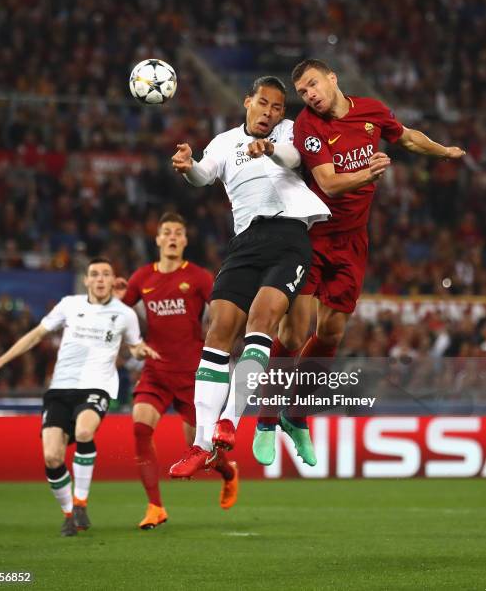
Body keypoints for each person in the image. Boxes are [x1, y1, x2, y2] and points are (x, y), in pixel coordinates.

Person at [251, 58, 466, 466]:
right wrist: (368, 174)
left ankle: (295, 416)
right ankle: (264, 419)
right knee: (294, 334)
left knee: (331, 333)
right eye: (303, 92)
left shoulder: (370, 110)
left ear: (332, 79)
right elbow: (329, 183)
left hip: (352, 241)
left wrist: (443, 151)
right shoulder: (308, 126)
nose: (310, 95)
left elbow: (406, 137)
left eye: (313, 84)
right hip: (311, 236)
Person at [168, 76, 331, 478]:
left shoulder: (290, 131)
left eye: (278, 107)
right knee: (218, 331)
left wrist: (272, 148)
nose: (270, 113)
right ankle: (201, 446)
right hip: (245, 241)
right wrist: (188, 167)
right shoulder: (224, 143)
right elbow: (204, 176)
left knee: (262, 322)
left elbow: (295, 159)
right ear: (248, 102)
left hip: (290, 236)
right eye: (264, 104)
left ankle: (230, 420)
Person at [0, 258, 158, 537]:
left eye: (106, 275)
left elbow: (135, 347)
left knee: (85, 431)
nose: (100, 279)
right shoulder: (69, 305)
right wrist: (3, 359)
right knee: (52, 457)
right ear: (86, 281)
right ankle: (67, 514)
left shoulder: (124, 314)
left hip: (96, 387)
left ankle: (80, 503)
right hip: (60, 389)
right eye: (94, 275)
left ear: (113, 281)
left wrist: (141, 352)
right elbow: (37, 334)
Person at [115, 212, 239, 529]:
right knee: (141, 428)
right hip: (155, 371)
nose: (172, 237)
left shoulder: (198, 277)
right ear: (157, 239)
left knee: (201, 451)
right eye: (166, 232)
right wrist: (114, 302)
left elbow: (222, 312)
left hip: (191, 376)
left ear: (185, 240)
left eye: (178, 233)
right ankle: (155, 507)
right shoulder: (142, 277)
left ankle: (229, 472)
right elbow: (118, 315)